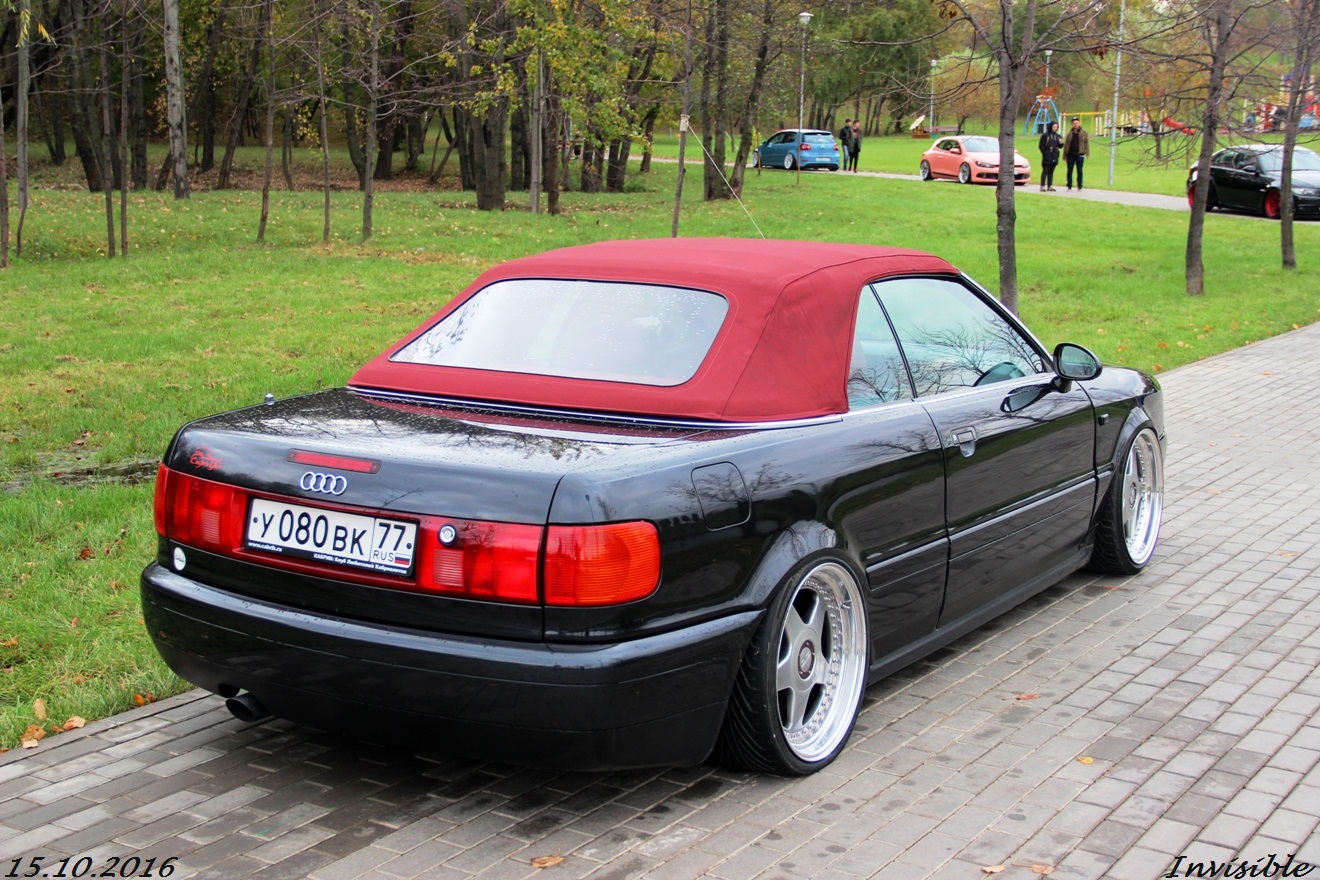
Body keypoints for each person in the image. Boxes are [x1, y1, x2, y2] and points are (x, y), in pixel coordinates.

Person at [1064, 116, 1089, 191]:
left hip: (1080, 155)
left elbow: (1086, 143)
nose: (1075, 124)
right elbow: (1066, 145)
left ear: (1079, 123)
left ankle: (1079, 186)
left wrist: (1087, 153)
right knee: (1069, 170)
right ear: (1072, 124)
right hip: (1070, 155)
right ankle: (1069, 185)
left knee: (1080, 171)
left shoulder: (1083, 133)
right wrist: (1064, 155)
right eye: (1074, 123)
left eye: (1077, 123)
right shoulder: (1069, 134)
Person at [1038, 121, 1063, 192]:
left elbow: (1060, 146)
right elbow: (1041, 146)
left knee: (1051, 172)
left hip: (1054, 156)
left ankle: (1050, 186)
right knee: (1045, 171)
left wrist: (1061, 143)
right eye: (1054, 127)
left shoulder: (1058, 136)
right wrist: (1045, 153)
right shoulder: (1045, 135)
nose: (1055, 128)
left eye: (1056, 127)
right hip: (1047, 156)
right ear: (1051, 127)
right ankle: (1042, 186)